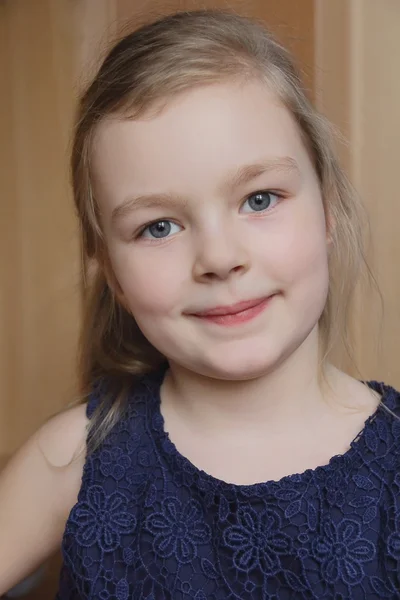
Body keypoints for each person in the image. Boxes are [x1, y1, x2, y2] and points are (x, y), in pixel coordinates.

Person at [0, 8, 399, 599]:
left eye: (260, 198)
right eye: (158, 226)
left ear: (328, 210)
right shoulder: (71, 460)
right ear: (109, 268)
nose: (218, 257)